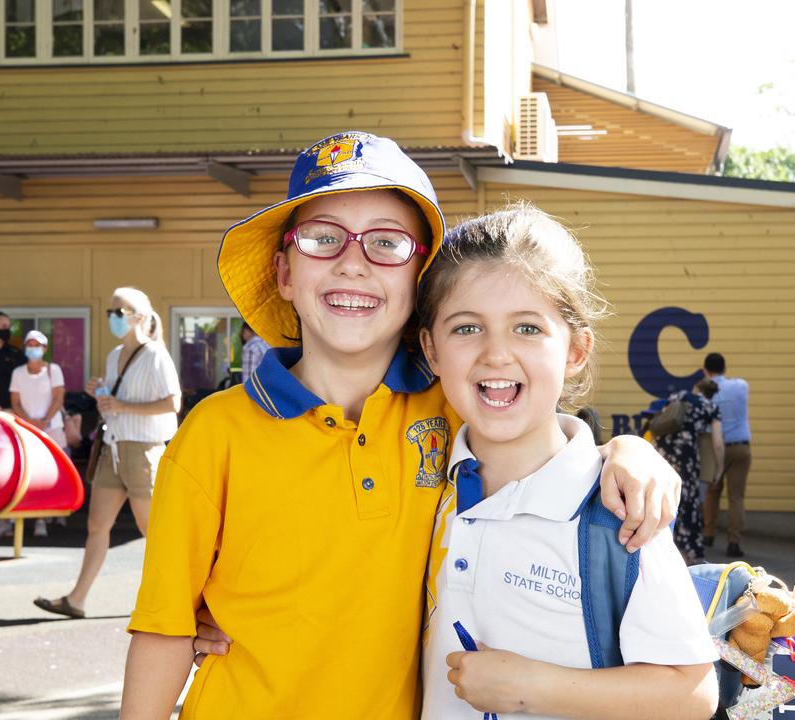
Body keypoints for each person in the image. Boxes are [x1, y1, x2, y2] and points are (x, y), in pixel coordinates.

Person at [119, 132, 680, 719]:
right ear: (284, 273)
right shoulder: (214, 433)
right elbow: (164, 628)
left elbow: (532, 424)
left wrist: (625, 452)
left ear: (419, 282)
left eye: (386, 243)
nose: (352, 263)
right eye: (322, 238)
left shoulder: (451, 404)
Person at [416, 204, 717, 718]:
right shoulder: (423, 478)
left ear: (576, 350)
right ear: (431, 349)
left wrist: (532, 685)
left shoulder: (618, 509)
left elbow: (693, 693)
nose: (495, 353)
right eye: (467, 328)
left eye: (527, 329)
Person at [33, 287, 181, 619]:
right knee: (97, 524)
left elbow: (173, 403)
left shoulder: (156, 355)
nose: (113, 318)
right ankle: (77, 598)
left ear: (139, 317)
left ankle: (170, 600)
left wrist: (121, 404)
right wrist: (101, 394)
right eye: (110, 312)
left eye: (120, 312)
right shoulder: (115, 356)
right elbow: (112, 404)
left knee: (152, 532)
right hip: (114, 446)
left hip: (143, 449)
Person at [0, 330, 67, 539]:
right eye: (30, 344)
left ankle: (42, 519)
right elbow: (15, 403)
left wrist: (44, 421)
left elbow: (58, 398)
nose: (33, 348)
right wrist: (30, 423)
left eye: (37, 345)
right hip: (26, 429)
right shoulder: (18, 372)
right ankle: (9, 521)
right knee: (22, 473)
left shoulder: (53, 370)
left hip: (50, 428)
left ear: (45, 349)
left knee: (47, 473)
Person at [655, 378, 723, 565]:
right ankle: (689, 552)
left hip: (662, 451)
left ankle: (662, 547)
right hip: (686, 456)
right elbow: (717, 443)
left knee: (664, 497)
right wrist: (719, 467)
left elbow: (663, 417)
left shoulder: (680, 395)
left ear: (696, 388)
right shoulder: (711, 407)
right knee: (687, 502)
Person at [701, 351, 752, 558]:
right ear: (724, 368)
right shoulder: (741, 386)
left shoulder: (705, 392)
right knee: (736, 497)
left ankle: (708, 533)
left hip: (716, 446)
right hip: (741, 447)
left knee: (712, 491)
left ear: (706, 370)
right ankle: (733, 541)